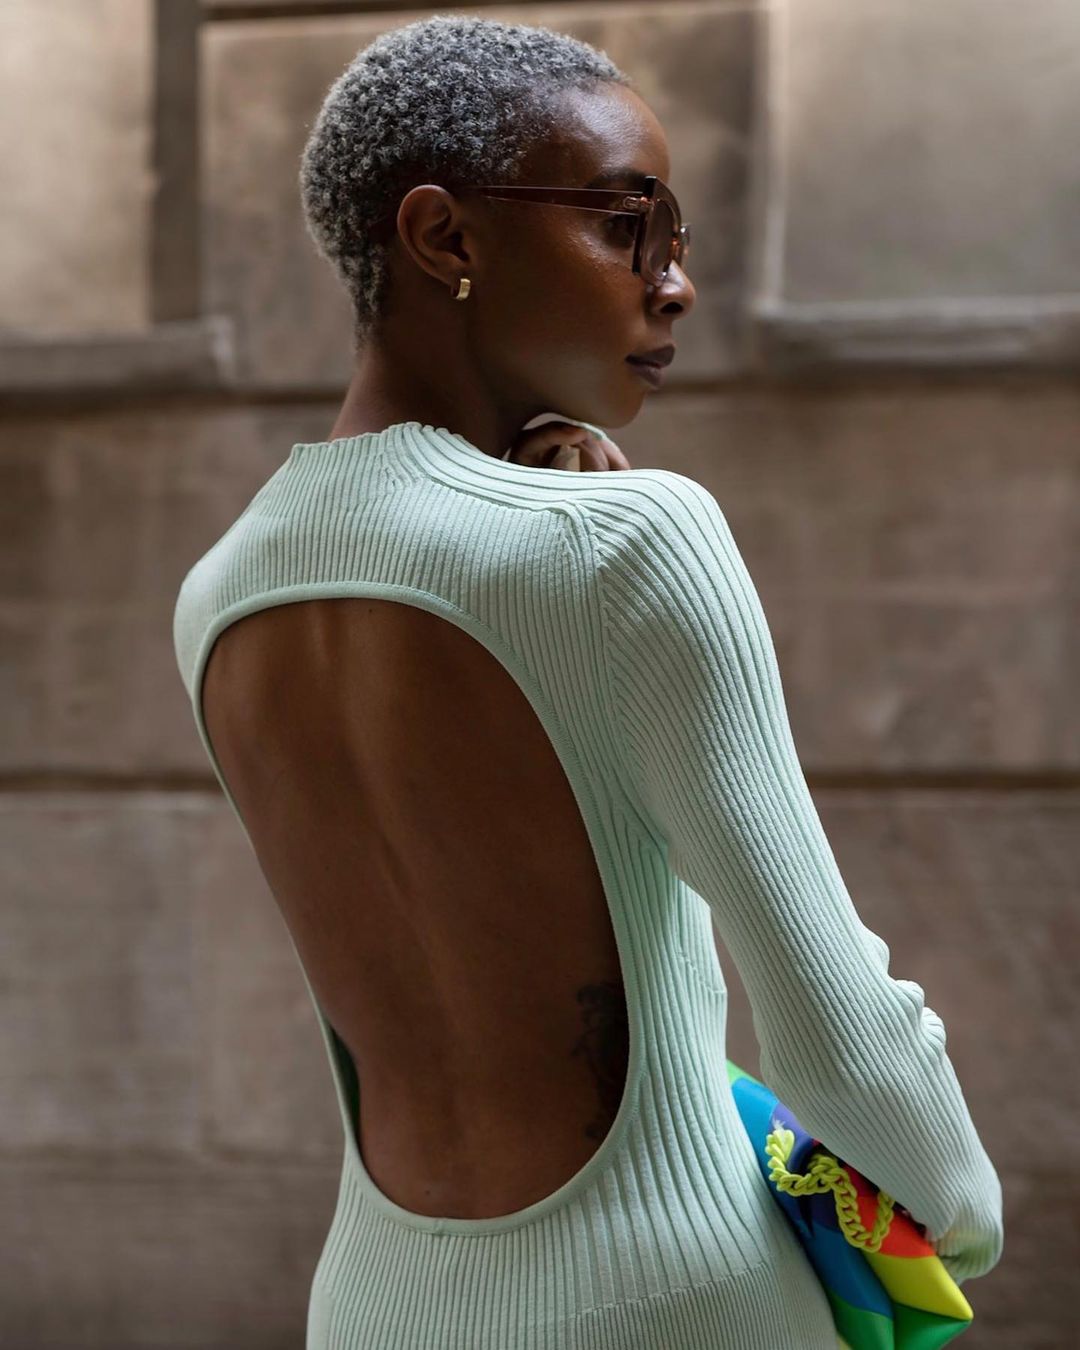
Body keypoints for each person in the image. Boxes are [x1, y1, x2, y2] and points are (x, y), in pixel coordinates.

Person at [172, 15, 1003, 1349]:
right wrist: (952, 1223)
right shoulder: (637, 542)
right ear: (445, 238)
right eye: (628, 226)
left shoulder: (219, 593)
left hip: (375, 1306)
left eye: (676, 240)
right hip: (677, 1300)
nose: (674, 285)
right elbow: (834, 1024)